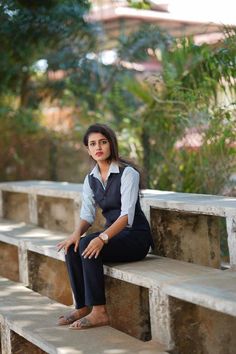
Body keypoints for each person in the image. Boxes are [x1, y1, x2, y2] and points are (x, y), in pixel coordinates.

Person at [57, 123, 154, 330]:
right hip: (114, 236)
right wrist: (75, 234)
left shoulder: (128, 174)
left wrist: (102, 238)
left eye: (103, 142)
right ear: (88, 149)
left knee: (87, 246)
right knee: (74, 248)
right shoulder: (90, 179)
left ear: (111, 144)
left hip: (135, 237)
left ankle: (100, 312)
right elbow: (87, 215)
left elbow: (126, 216)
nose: (98, 147)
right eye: (93, 144)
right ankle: (83, 307)